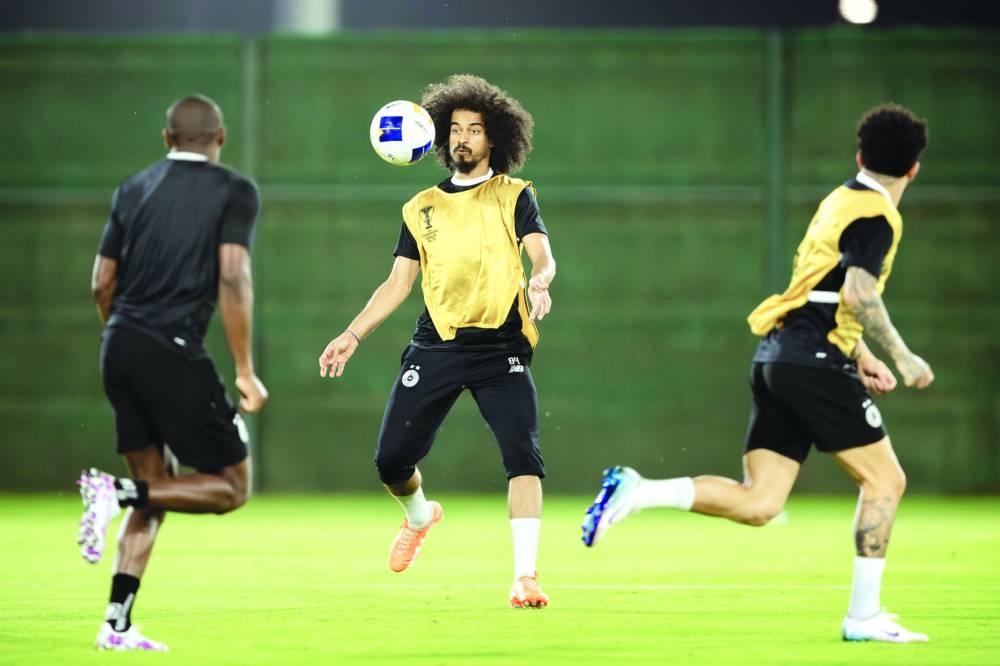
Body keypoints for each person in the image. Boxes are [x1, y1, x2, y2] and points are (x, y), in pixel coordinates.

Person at [581, 104, 933, 642]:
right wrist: (903, 356)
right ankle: (864, 617)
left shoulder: (839, 200)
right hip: (811, 360)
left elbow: (822, 291)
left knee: (761, 503)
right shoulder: (879, 215)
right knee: (886, 480)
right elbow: (858, 293)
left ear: (859, 156)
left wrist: (860, 355)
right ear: (914, 169)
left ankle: (639, 490)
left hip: (778, 356)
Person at [318, 74, 556, 608]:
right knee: (390, 461)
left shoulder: (515, 195)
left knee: (524, 457)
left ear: (494, 139)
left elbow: (541, 251)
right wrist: (352, 333)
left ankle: (525, 577)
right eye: (455, 129)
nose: (464, 139)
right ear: (441, 138)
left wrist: (540, 277)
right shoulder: (419, 206)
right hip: (437, 345)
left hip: (501, 348)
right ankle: (421, 516)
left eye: (475, 129)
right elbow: (398, 283)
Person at [78, 94, 268, 652]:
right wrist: (245, 370)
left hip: (119, 344)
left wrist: (124, 342)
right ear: (221, 138)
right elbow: (233, 278)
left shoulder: (132, 188)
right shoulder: (235, 190)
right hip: (173, 348)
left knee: (154, 489)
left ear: (166, 139)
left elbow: (100, 285)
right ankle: (112, 493)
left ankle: (116, 625)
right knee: (232, 487)